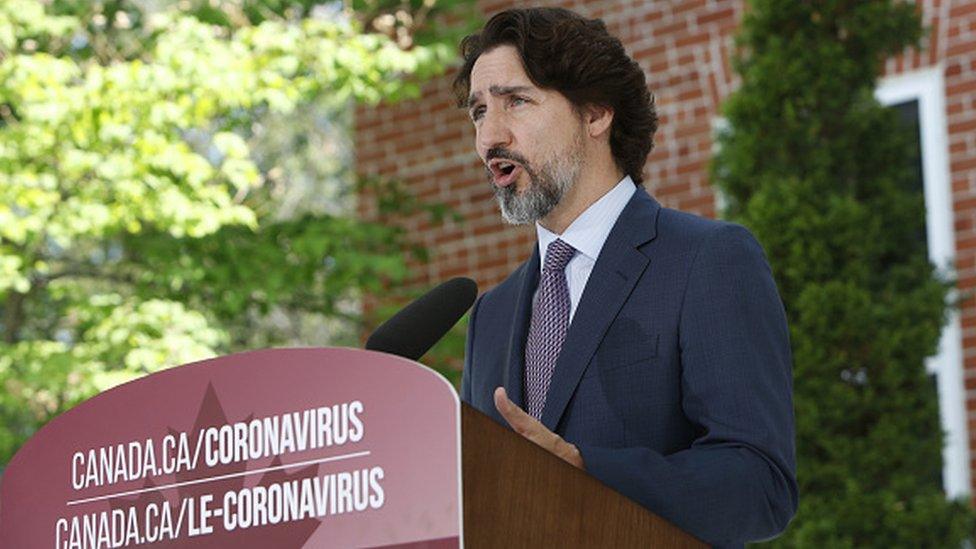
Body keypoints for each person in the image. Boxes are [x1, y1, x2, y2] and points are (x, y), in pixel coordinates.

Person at [455, 7, 797, 547]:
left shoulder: (707, 261)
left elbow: (758, 486)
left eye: (515, 101)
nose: (489, 137)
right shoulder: (491, 316)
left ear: (595, 114)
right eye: (478, 112)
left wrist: (586, 471)